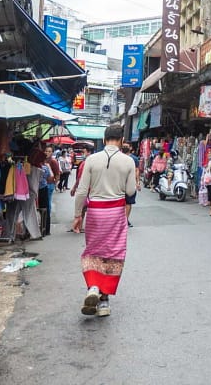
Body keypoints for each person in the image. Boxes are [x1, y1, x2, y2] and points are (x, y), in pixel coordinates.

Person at [73, 125, 137, 318]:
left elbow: (82, 191)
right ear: (121, 140)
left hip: (95, 212)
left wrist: (77, 215)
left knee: (93, 251)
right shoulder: (128, 161)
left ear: (105, 138)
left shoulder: (91, 160)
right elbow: (131, 191)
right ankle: (104, 302)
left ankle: (93, 286)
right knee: (113, 254)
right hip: (116, 212)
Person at [69, 147, 92, 234]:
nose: (82, 154)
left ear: (89, 152)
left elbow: (79, 178)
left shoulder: (85, 163)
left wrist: (74, 188)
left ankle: (79, 226)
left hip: (85, 189)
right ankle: (80, 226)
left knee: (81, 208)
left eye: (84, 152)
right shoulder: (88, 163)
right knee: (83, 208)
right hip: (90, 189)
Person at [121, 144, 142, 227]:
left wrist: (137, 182)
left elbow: (137, 171)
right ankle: (123, 220)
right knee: (125, 202)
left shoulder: (134, 159)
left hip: (129, 182)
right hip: (122, 183)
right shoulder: (119, 158)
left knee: (128, 202)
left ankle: (125, 219)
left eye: (127, 146)